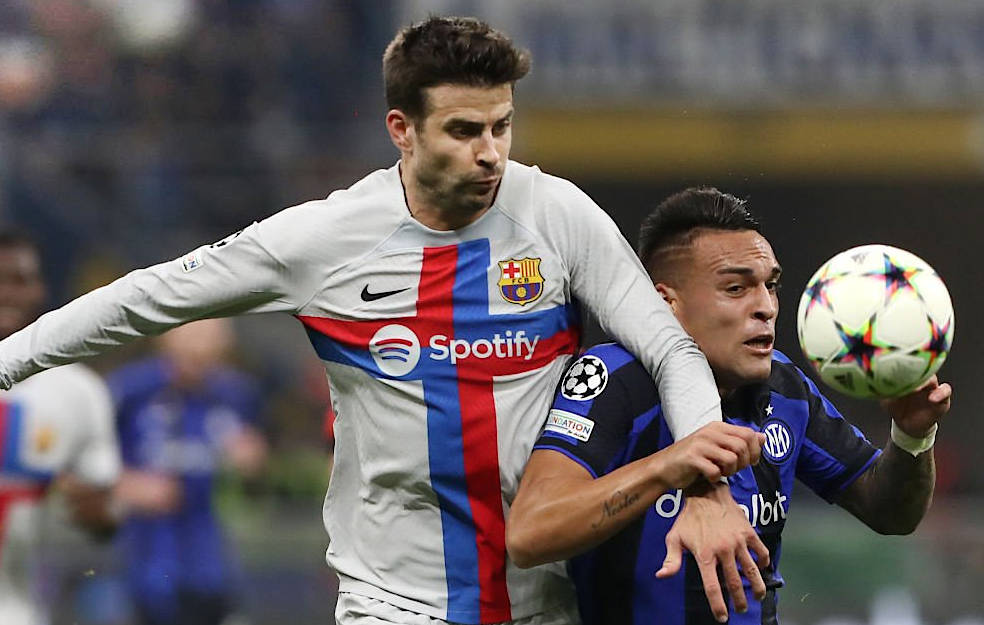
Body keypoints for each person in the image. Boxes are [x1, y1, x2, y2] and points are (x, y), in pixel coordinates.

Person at [0, 17, 762, 625]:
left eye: (501, 126)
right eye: (464, 131)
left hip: (545, 601)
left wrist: (708, 487)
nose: (490, 153)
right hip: (394, 602)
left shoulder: (556, 214)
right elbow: (141, 298)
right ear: (402, 128)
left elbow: (669, 349)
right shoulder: (325, 240)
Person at [506, 187, 951, 624]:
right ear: (665, 304)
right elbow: (531, 533)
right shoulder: (616, 380)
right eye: (736, 288)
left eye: (771, 286)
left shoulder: (783, 388)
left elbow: (890, 512)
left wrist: (912, 435)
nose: (765, 308)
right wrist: (668, 468)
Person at [109, 318, 267, 625]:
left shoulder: (237, 394)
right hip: (144, 562)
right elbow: (86, 468)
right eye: (192, 334)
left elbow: (258, 474)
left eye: (211, 336)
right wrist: (128, 485)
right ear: (165, 337)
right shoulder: (129, 391)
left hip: (217, 566)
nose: (199, 347)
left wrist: (253, 460)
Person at [0, 230, 121, 625]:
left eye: (20, 280)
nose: (7, 293)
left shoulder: (79, 391)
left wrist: (96, 513)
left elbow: (104, 516)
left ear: (41, 289)